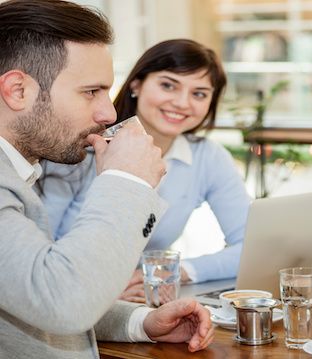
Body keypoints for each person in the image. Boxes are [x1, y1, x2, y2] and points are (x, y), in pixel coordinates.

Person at [0, 1, 213, 357]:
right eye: (90, 91)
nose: (108, 112)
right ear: (18, 90)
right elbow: (63, 301)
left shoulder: (20, 174)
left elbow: (26, 299)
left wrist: (139, 322)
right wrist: (127, 181)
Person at [39, 39, 251, 301]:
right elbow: (39, 251)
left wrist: (175, 272)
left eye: (199, 93)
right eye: (168, 85)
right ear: (136, 85)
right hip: (67, 297)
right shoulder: (82, 147)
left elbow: (251, 246)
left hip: (143, 302)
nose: (183, 103)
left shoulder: (207, 156)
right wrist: (107, 284)